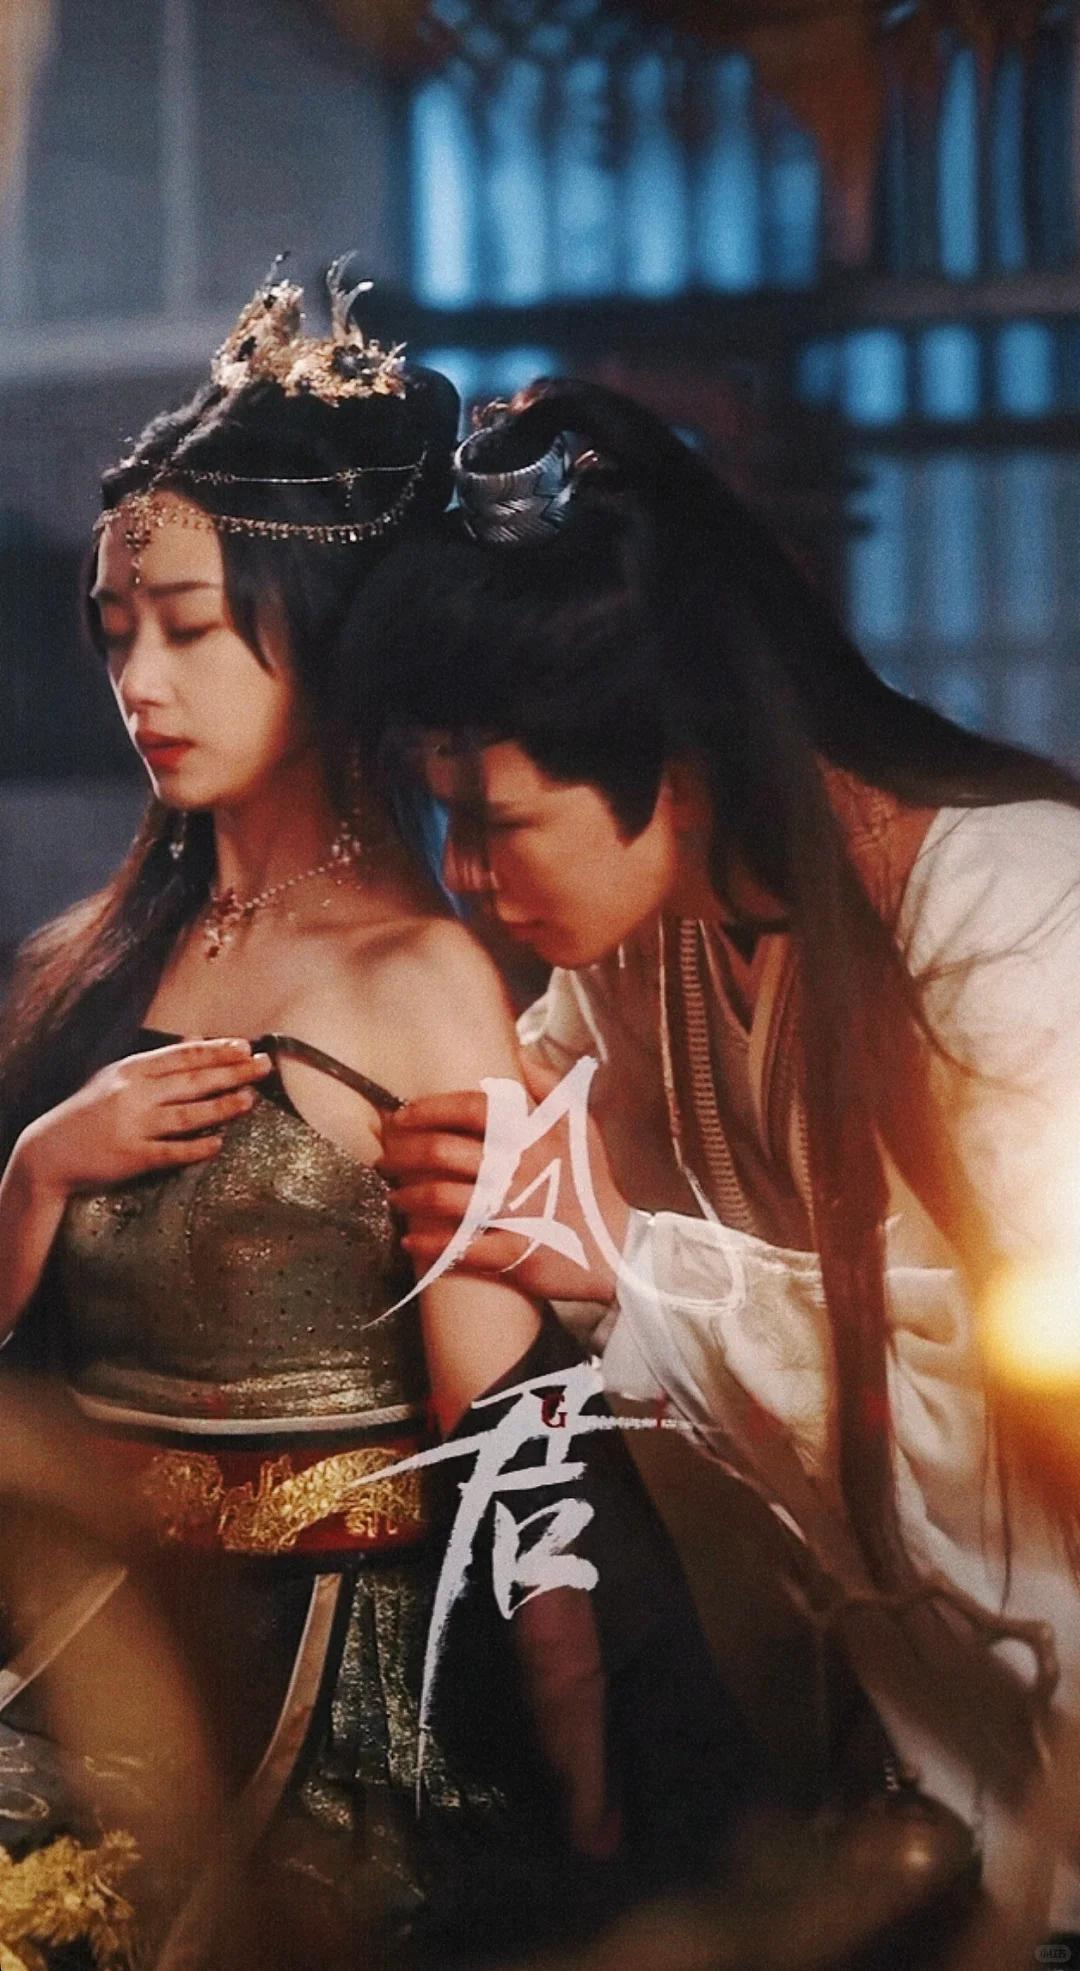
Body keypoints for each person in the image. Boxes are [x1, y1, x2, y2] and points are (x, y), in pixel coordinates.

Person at [0, 307, 760, 1965]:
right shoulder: (86, 959)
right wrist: (38, 1169)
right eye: (116, 633)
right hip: (81, 1638)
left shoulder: (418, 977)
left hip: (317, 1675)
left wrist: (577, 1743)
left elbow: (510, 1424)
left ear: (323, 635)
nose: (139, 683)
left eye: (190, 630)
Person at [347, 379, 1080, 1937]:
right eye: (441, 819)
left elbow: (1040, 1407)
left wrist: (635, 1270)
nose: (467, 878)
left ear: (673, 774)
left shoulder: (1016, 908)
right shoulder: (650, 930)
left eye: (498, 822)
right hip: (881, 1771)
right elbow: (506, 1120)